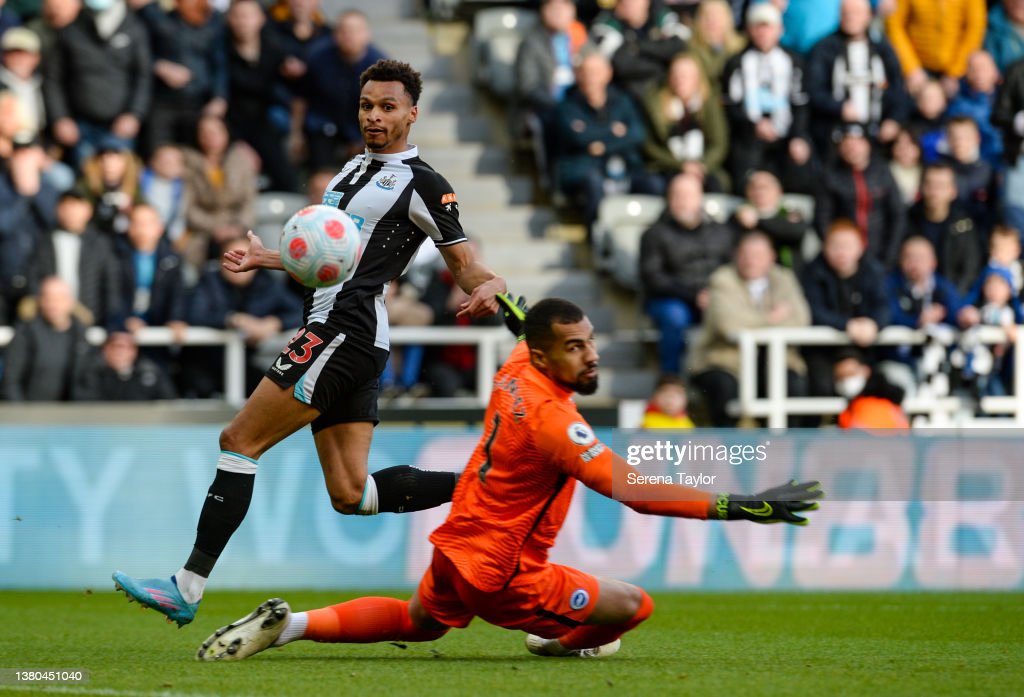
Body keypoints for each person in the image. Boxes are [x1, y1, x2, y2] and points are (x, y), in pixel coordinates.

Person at [194, 298, 823, 662]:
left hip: (458, 539)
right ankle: (556, 643)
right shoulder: (553, 421)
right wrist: (742, 507)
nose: (592, 354)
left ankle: (291, 626)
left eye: (591, 342)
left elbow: (523, 326)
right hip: (502, 571)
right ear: (550, 356)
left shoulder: (518, 368)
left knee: (420, 621)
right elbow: (633, 489)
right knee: (635, 607)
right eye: (575, 347)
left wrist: (507, 304)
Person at [112, 59, 514, 627]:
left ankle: (187, 586)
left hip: (341, 332)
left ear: (412, 114)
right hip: (347, 334)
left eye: (387, 107)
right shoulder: (348, 172)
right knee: (352, 493)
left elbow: (466, 265)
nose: (374, 116)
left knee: (239, 438)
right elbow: (327, 260)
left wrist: (492, 283)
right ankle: (487, 484)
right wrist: (267, 257)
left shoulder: (424, 184)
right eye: (367, 106)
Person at [690, 230, 812, 427]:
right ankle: (730, 454)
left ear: (771, 257)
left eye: (758, 255)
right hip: (725, 362)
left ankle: (788, 453)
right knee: (724, 390)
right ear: (736, 255)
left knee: (794, 385)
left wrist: (752, 321)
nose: (751, 261)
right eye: (746, 254)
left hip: (775, 361)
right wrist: (771, 319)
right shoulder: (722, 279)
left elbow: (800, 320)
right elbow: (728, 324)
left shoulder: (784, 278)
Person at [639, 171, 735, 376]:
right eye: (676, 195)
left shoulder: (722, 232)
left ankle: (725, 376)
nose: (682, 201)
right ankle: (671, 382)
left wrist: (716, 294)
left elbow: (732, 269)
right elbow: (653, 277)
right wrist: (694, 295)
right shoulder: (654, 234)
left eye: (688, 195)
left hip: (715, 297)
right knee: (675, 316)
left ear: (700, 198)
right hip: (670, 299)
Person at [42, 0, 150, 164]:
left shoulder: (135, 28)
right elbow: (53, 79)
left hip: (119, 125)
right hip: (80, 125)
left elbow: (143, 77)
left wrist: (135, 114)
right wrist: (60, 117)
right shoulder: (71, 31)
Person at [721, 2, 814, 194]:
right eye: (758, 27)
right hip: (749, 135)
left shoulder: (793, 61)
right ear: (749, 30)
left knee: (802, 166)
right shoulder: (737, 63)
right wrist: (754, 124)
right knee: (742, 174)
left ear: (779, 30)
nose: (763, 33)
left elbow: (801, 103)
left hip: (785, 134)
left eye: (768, 27)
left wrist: (798, 135)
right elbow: (731, 105)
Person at [805, 0, 908, 154]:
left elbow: (898, 87)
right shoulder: (824, 48)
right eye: (846, 13)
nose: (851, 18)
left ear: (868, 15)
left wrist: (894, 119)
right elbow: (813, 90)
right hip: (834, 135)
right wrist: (839, 107)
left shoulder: (882, 48)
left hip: (876, 134)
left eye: (856, 13)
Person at [800, 218, 890, 395]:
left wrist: (873, 324)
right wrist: (847, 326)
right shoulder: (812, 272)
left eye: (847, 246)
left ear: (860, 247)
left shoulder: (873, 271)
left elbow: (884, 306)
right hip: (822, 351)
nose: (841, 252)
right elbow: (812, 310)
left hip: (866, 350)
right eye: (835, 246)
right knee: (821, 388)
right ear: (824, 247)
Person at [814, 122, 905, 269]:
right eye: (846, 145)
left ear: (867, 144)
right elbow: (822, 219)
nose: (852, 149)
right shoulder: (830, 176)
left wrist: (890, 254)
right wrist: (838, 249)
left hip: (880, 251)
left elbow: (897, 214)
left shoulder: (881, 170)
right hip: (844, 255)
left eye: (857, 143)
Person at [0, 276, 93, 401]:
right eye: (48, 298)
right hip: (31, 414)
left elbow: (89, 381)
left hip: (71, 416)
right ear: (41, 301)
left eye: (59, 299)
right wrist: (21, 415)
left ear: (70, 301)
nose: (53, 304)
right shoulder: (26, 334)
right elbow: (10, 381)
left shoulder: (81, 337)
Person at [906, 163, 981, 294]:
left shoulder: (964, 225)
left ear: (953, 191)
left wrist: (951, 301)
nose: (934, 191)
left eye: (941, 186)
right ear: (921, 187)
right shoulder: (909, 219)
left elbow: (970, 270)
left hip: (953, 298)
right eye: (929, 184)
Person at [884, 0, 986, 98]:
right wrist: (911, 68)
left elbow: (975, 28)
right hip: (917, 69)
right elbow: (894, 24)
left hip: (956, 73)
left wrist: (955, 72)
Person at [72, 330, 177, 400]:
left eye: (125, 347)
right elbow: (85, 404)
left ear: (134, 351)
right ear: (105, 350)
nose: (120, 352)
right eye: (115, 346)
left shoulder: (150, 374)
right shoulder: (92, 374)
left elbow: (168, 402)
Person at [834, 348, 910, 429]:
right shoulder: (848, 408)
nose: (846, 380)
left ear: (865, 370)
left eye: (850, 374)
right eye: (841, 376)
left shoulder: (878, 401)